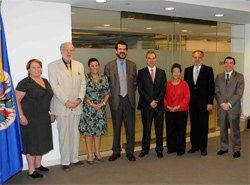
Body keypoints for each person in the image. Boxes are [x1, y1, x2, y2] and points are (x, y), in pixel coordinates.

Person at [48, 42, 86, 172]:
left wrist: (79, 100)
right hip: (61, 106)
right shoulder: (53, 66)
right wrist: (66, 101)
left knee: (75, 134)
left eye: (71, 50)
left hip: (76, 106)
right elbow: (54, 85)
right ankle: (65, 161)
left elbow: (83, 85)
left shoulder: (79, 65)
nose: (69, 52)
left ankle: (74, 158)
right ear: (61, 51)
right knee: (64, 135)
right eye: (66, 50)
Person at [15, 59, 54, 178]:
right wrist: (21, 116)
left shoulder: (45, 81)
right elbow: (17, 101)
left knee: (41, 141)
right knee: (31, 142)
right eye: (33, 67)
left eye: (38, 67)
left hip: (43, 116)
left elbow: (50, 97)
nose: (36, 69)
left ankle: (38, 165)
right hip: (29, 117)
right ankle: (31, 170)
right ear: (28, 69)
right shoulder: (24, 83)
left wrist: (52, 112)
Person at [104, 41, 137, 162]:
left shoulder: (132, 65)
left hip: (129, 100)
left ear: (126, 51)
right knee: (116, 127)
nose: (122, 51)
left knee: (130, 128)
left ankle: (130, 151)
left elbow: (134, 83)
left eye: (124, 49)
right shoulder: (108, 66)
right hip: (116, 101)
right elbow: (106, 86)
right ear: (116, 51)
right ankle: (116, 151)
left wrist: (130, 95)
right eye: (120, 49)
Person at [79, 58, 110, 164]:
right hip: (88, 110)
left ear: (99, 66)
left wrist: (103, 103)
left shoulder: (104, 78)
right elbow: (83, 93)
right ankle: (89, 154)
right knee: (89, 133)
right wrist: (92, 104)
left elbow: (107, 92)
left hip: (100, 109)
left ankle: (97, 152)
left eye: (96, 65)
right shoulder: (85, 78)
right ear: (89, 67)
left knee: (98, 132)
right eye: (92, 66)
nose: (94, 67)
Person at [184, 50, 214, 156]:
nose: (197, 59)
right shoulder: (187, 70)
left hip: (204, 104)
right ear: (192, 58)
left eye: (199, 57)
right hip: (191, 104)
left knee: (203, 125)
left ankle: (203, 147)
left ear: (202, 58)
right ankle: (194, 146)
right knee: (194, 125)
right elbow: (185, 88)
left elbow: (211, 88)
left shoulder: (208, 70)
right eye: (195, 57)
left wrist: (210, 102)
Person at [137, 51, 166, 158]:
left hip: (158, 106)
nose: (151, 60)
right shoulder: (141, 72)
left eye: (153, 58)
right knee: (146, 128)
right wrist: (150, 101)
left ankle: (159, 149)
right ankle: (145, 149)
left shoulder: (161, 72)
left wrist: (156, 101)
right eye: (149, 58)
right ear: (146, 59)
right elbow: (140, 89)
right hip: (146, 105)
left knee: (159, 128)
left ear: (156, 59)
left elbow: (163, 88)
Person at [215, 56, 244, 158]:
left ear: (234, 65)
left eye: (231, 63)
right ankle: (224, 147)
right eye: (226, 63)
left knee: (234, 130)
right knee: (222, 129)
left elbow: (239, 93)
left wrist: (229, 104)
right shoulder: (219, 76)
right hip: (221, 108)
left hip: (233, 108)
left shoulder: (239, 76)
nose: (228, 65)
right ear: (224, 64)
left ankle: (236, 149)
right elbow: (216, 91)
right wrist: (222, 103)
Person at [164, 64, 190, 156]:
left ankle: (180, 149)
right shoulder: (167, 84)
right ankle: (171, 147)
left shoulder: (184, 84)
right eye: (174, 71)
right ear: (171, 73)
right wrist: (167, 106)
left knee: (181, 130)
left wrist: (178, 106)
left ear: (180, 73)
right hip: (169, 110)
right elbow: (164, 97)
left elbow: (187, 98)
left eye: (178, 71)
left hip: (181, 110)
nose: (176, 73)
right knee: (170, 129)